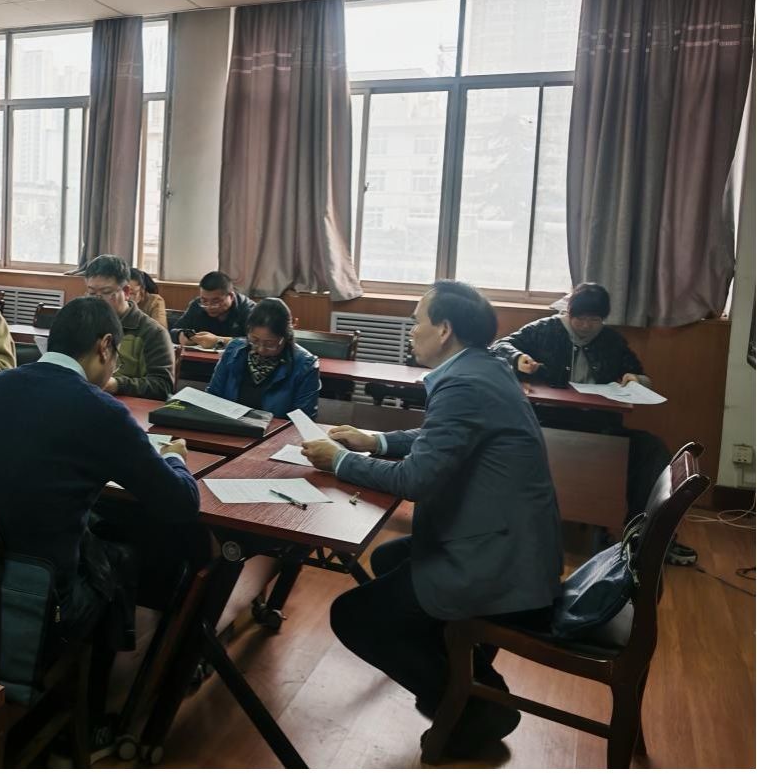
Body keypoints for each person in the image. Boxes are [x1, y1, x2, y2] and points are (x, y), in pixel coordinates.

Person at [301, 281, 561, 759]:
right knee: (391, 558)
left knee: (354, 616)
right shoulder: (485, 367)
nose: (411, 331)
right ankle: (467, 678)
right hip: (517, 542)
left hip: (498, 559)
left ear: (444, 329)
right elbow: (440, 437)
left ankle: (477, 708)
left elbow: (416, 479)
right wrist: (375, 441)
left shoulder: (463, 383)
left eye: (417, 321)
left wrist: (339, 460)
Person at [0, 297, 199, 646]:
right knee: (125, 554)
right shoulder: (102, 411)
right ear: (105, 346)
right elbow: (181, 502)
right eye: (117, 356)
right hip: (41, 597)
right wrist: (173, 458)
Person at [491, 282, 695, 565]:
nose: (586, 326)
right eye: (580, 318)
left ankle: (644, 535)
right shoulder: (544, 330)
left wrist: (634, 379)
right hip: (548, 422)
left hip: (600, 426)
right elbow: (498, 347)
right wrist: (518, 359)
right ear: (569, 312)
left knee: (650, 449)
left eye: (594, 320)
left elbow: (637, 374)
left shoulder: (611, 340)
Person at [206, 297, 319, 418]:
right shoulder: (234, 350)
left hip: (275, 430)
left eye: (270, 344)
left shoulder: (305, 365)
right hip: (229, 426)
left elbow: (304, 419)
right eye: (254, 340)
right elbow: (212, 397)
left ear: (286, 337)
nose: (261, 349)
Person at [84, 254, 174, 401]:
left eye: (106, 293)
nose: (97, 300)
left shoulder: (152, 332)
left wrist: (117, 384)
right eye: (92, 293)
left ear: (126, 292)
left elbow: (162, 386)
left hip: (126, 406)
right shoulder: (82, 324)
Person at [169, 270, 256, 348]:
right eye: (204, 300)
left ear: (231, 296)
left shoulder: (249, 310)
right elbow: (173, 331)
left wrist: (219, 341)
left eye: (216, 301)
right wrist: (180, 335)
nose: (209, 306)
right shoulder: (197, 305)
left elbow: (256, 341)